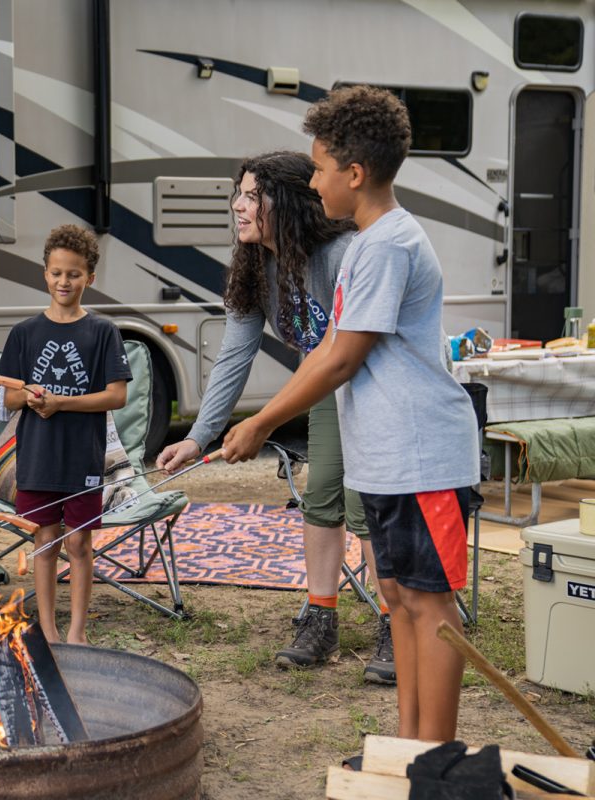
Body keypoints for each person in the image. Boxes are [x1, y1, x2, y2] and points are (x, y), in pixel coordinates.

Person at [221, 85, 479, 742]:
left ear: (354, 174)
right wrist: (243, 423)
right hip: (389, 462)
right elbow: (323, 351)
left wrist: (260, 423)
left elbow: (341, 360)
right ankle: (407, 748)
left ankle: (435, 758)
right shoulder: (364, 247)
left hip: (426, 457)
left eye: (319, 168)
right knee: (397, 601)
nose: (312, 180)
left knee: (430, 607)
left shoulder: (390, 244)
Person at [156, 151, 397, 683]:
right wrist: (198, 438)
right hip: (332, 391)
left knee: (366, 506)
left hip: (379, 387)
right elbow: (234, 357)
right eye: (237, 194)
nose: (237, 206)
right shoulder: (253, 267)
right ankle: (320, 617)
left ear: (284, 204)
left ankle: (393, 625)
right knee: (323, 498)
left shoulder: (342, 252)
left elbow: (338, 352)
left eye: (250, 196)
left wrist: (262, 422)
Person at [0, 224, 131, 644]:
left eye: (73, 274)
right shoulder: (24, 333)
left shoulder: (102, 331)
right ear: (45, 274)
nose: (63, 282)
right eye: (56, 273)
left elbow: (116, 396)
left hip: (82, 459)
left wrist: (61, 402)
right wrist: (31, 396)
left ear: (90, 278)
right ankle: (50, 631)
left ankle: (76, 632)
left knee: (79, 545)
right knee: (46, 541)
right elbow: (8, 398)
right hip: (37, 460)